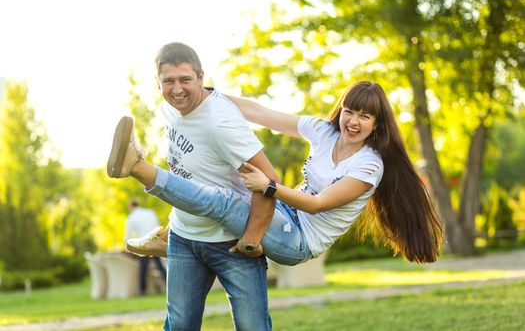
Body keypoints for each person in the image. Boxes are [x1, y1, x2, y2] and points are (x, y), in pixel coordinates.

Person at [112, 80, 444, 268]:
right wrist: (207, 96)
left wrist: (269, 187)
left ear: (377, 124)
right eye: (349, 111)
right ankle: (170, 236)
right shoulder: (323, 131)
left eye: (365, 116)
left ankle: (138, 167)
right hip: (281, 213)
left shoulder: (369, 165)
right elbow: (261, 112)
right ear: (341, 111)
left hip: (298, 240)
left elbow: (317, 205)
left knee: (225, 200)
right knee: (223, 170)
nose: (354, 122)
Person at [108, 42, 277, 331]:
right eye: (168, 81)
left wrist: (251, 238)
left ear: (201, 76)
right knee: (179, 326)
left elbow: (268, 179)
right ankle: (138, 169)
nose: (177, 89)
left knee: (253, 328)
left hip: (231, 242)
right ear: (157, 82)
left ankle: (136, 165)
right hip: (184, 239)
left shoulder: (220, 124)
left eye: (185, 79)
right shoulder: (168, 109)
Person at [123, 199, 166, 295]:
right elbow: (158, 226)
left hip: (144, 244)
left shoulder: (131, 217)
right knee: (160, 267)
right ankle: (169, 286)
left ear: (130, 207)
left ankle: (142, 291)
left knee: (143, 269)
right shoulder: (150, 212)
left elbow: (127, 236)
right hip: (155, 241)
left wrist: (126, 247)